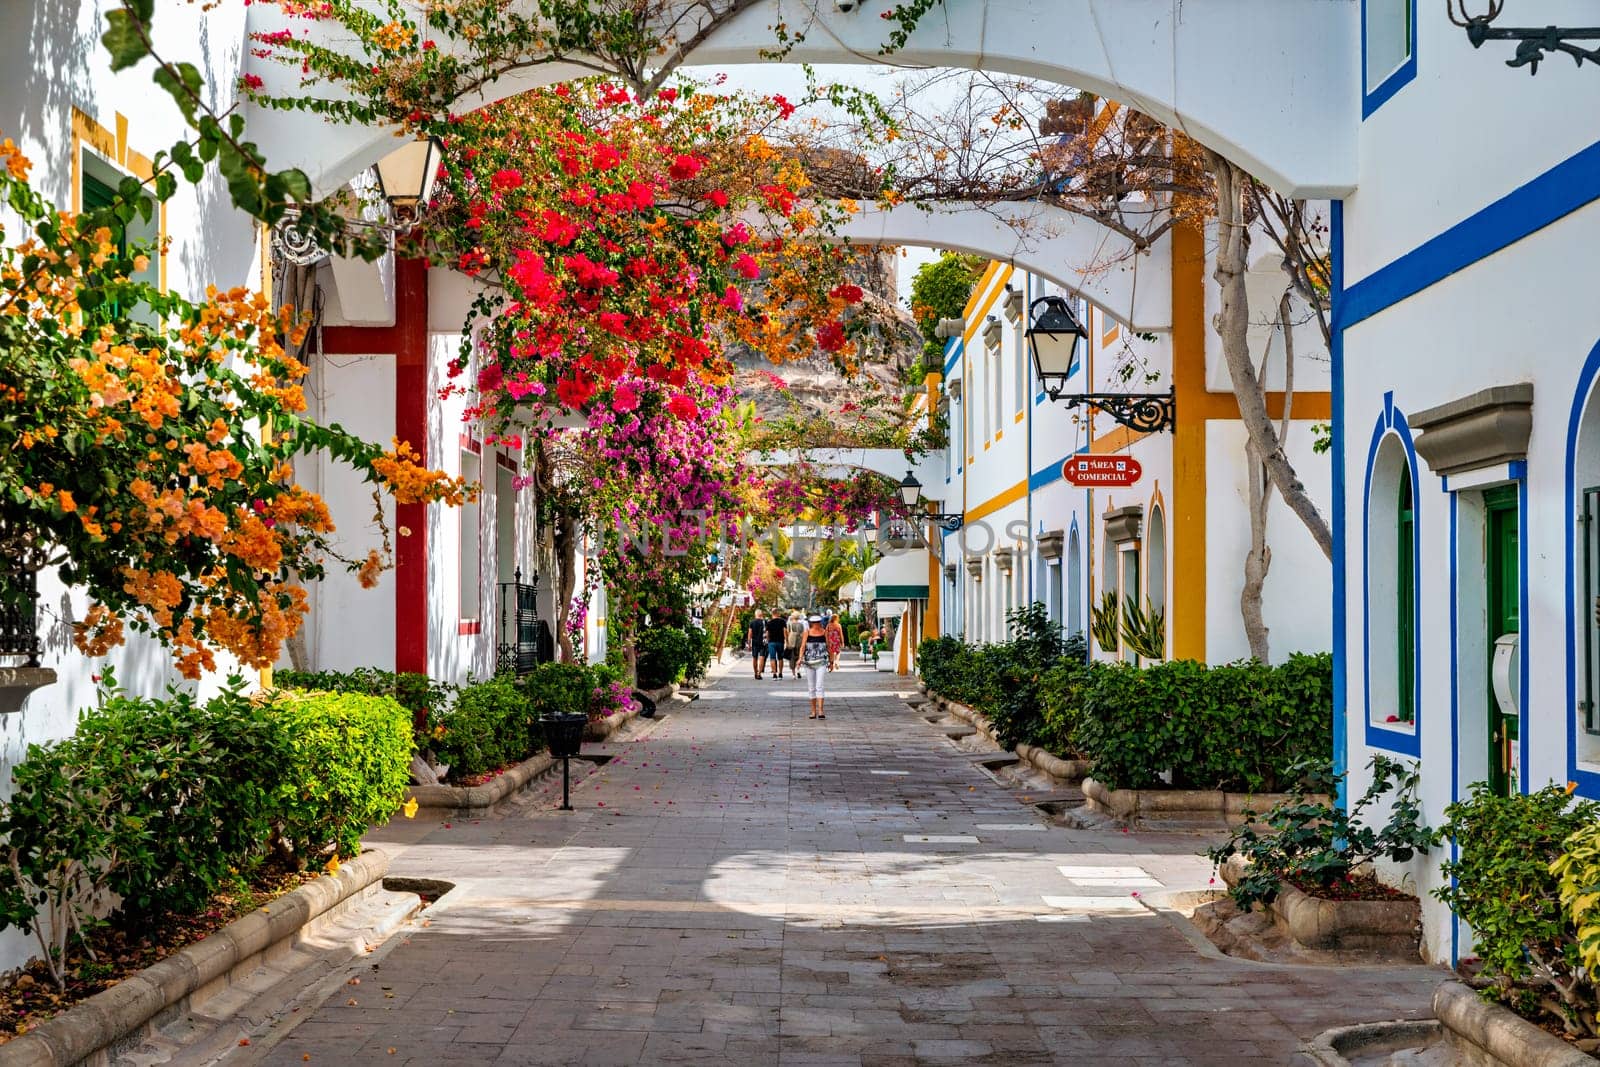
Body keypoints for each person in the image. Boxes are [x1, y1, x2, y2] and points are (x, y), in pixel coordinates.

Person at [800, 614, 831, 718]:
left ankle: (821, 711)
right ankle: (813, 711)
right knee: (811, 687)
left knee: (819, 685)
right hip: (809, 663)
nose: (817, 625)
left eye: (818, 622)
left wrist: (831, 661)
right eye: (815, 623)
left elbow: (828, 646)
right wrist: (800, 658)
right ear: (811, 623)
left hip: (821, 662)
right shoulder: (807, 633)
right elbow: (803, 646)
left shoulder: (824, 632)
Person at [764, 612, 787, 678]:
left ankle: (774, 674)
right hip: (780, 642)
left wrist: (768, 640)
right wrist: (786, 640)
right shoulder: (782, 621)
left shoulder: (769, 622)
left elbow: (767, 633)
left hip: (771, 642)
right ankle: (780, 673)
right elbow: (785, 631)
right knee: (780, 658)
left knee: (772, 658)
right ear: (778, 614)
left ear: (772, 614)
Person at [786, 609, 805, 680]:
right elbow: (803, 634)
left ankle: (793, 674)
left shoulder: (789, 624)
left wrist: (787, 642)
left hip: (792, 642)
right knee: (799, 657)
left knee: (792, 658)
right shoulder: (801, 624)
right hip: (799, 642)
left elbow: (787, 633)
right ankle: (798, 669)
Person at [748, 612, 767, 679]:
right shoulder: (764, 622)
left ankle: (755, 673)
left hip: (755, 642)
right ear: (761, 614)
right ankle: (759, 673)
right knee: (762, 657)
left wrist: (749, 644)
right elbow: (767, 633)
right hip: (763, 642)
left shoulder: (752, 622)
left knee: (754, 657)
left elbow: (750, 633)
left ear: (755, 614)